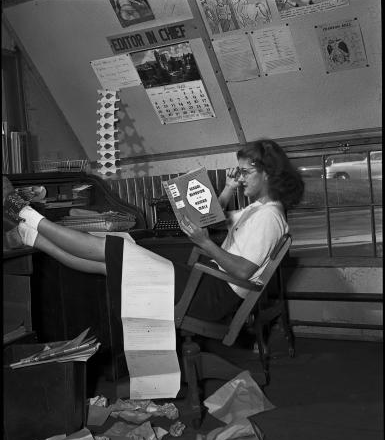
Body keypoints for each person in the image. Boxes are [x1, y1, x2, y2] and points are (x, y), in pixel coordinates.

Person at [3, 139, 304, 324]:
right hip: (208, 283)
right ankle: (33, 236)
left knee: (117, 250)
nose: (240, 176)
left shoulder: (269, 217)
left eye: (245, 171)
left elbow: (242, 270)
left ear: (267, 173)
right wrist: (227, 187)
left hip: (212, 294)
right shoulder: (258, 210)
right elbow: (209, 217)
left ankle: (22, 210)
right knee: (112, 262)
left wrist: (205, 244)